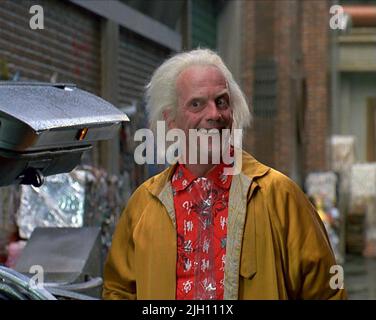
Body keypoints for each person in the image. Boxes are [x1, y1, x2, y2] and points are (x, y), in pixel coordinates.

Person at [103, 49, 347, 300]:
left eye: (221, 102)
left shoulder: (278, 196)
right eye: (196, 104)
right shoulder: (143, 205)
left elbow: (327, 292)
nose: (214, 115)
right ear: (171, 120)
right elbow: (118, 290)